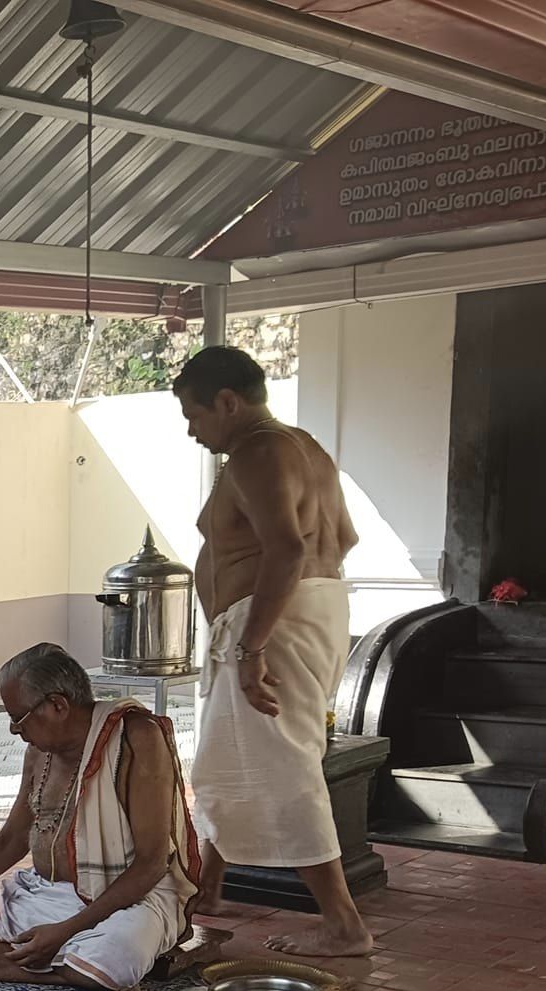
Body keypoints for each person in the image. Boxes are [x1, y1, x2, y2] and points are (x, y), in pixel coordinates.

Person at [175, 345, 372, 958]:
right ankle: (207, 888)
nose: (191, 429)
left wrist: (251, 646)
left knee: (283, 766)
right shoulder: (303, 446)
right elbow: (340, 538)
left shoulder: (257, 451)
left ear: (228, 402)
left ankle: (343, 924)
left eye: (195, 414)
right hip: (304, 614)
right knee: (235, 760)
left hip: (272, 626)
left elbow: (285, 550)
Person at [0, 644, 200, 990]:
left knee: (114, 957)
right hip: (43, 895)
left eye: (18, 717)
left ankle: (81, 965)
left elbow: (151, 864)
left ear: (58, 705)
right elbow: (11, 840)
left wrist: (67, 931)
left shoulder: (136, 738)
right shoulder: (38, 752)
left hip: (129, 901)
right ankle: (73, 973)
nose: (14, 730)